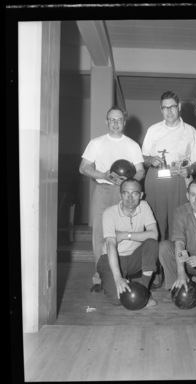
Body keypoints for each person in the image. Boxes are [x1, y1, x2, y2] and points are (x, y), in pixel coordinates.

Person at [79, 106, 145, 287]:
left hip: (122, 193)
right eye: (112, 120)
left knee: (120, 234)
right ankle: (99, 277)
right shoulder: (96, 142)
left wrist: (129, 183)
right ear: (107, 122)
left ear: (124, 122)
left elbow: (141, 170)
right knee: (100, 234)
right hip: (102, 190)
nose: (116, 123)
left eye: (119, 120)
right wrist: (102, 175)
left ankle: (121, 274)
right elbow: (83, 167)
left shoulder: (132, 145)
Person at [142, 91, 196, 287]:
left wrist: (189, 169)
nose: (169, 111)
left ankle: (177, 272)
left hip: (178, 180)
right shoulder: (153, 130)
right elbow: (142, 158)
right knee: (154, 227)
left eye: (172, 106)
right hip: (156, 180)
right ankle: (155, 273)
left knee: (178, 227)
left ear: (179, 107)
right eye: (165, 107)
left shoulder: (190, 131)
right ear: (161, 110)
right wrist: (150, 159)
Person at [96, 178, 159, 306]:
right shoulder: (109, 213)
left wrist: (125, 235)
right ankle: (109, 280)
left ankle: (144, 290)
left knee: (151, 243)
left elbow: (154, 234)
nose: (130, 198)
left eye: (134, 193)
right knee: (117, 299)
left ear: (141, 195)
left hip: (133, 258)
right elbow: (110, 245)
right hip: (111, 258)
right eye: (126, 193)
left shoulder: (144, 206)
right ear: (120, 195)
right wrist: (117, 277)